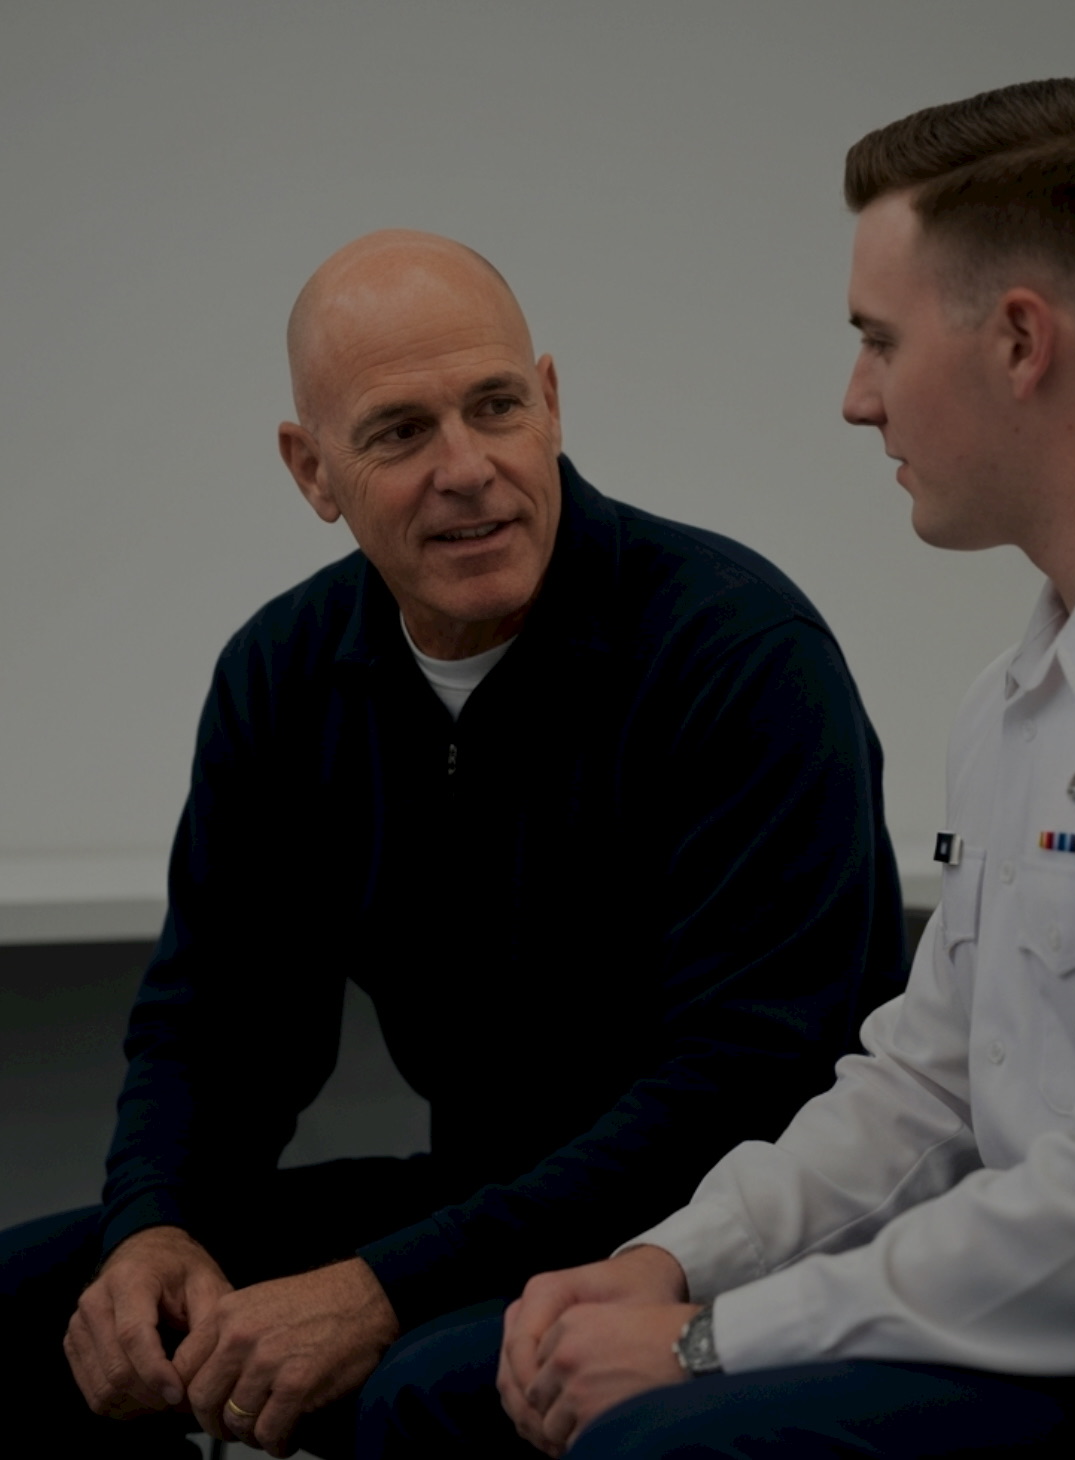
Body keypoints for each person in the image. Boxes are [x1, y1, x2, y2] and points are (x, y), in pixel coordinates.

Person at [357, 79, 1075, 1458]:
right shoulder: (1024, 693)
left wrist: (713, 1340)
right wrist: (673, 1261)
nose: (857, 399)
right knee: (440, 1399)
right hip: (1049, 1295)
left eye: (878, 339)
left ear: (1020, 341)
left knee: (658, 1445)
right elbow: (925, 1086)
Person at [0, 231, 906, 1460]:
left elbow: (741, 1088)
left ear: (550, 401)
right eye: (399, 432)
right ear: (311, 470)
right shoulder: (282, 673)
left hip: (717, 1231)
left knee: (415, 1383)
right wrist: (155, 1225)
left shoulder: (738, 652)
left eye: (495, 406)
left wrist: (379, 1285)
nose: (468, 469)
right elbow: (215, 1023)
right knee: (57, 1298)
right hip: (481, 1193)